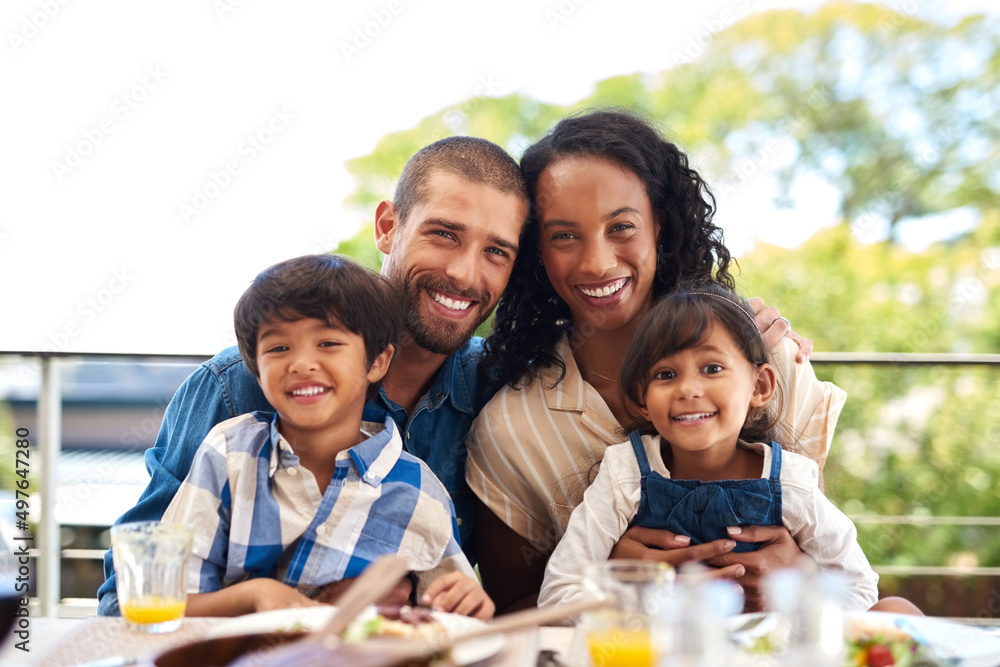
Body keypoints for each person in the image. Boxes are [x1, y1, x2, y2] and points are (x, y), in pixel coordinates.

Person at [98, 136, 528, 615]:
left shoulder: (501, 393)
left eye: (496, 252)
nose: (466, 274)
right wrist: (297, 606)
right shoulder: (234, 389)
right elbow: (127, 604)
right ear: (388, 227)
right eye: (444, 234)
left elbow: (464, 609)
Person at [466, 110, 846, 613]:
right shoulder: (511, 431)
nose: (597, 262)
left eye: (621, 226)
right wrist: (609, 584)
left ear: (660, 226)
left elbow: (842, 567)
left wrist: (801, 576)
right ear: (537, 251)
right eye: (564, 236)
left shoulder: (770, 361)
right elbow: (506, 615)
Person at [163, 254, 492, 618]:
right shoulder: (228, 455)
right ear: (256, 372)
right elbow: (166, 602)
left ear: (377, 362)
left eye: (328, 344)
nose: (302, 363)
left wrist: (467, 604)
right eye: (278, 348)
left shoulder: (421, 495)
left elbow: (450, 624)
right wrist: (255, 595)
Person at [539, 284, 887, 612]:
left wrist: (791, 600)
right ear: (642, 398)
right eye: (665, 375)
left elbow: (860, 591)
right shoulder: (625, 473)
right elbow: (559, 594)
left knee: (897, 609)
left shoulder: (792, 481)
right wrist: (649, 602)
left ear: (760, 386)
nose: (688, 389)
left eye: (712, 368)